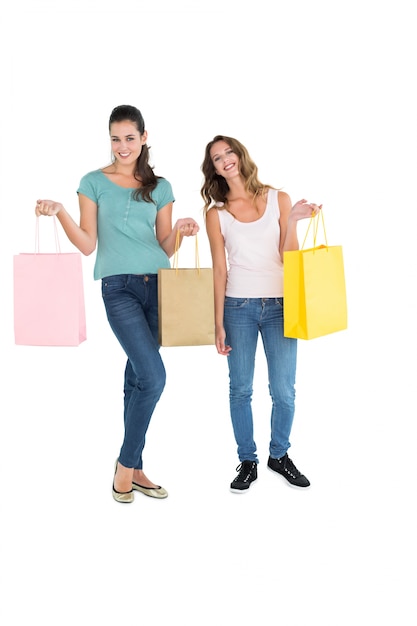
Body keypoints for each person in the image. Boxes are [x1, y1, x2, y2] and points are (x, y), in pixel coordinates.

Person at [35, 104, 199, 503]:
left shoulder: (161, 187)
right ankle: (126, 466)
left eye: (129, 138)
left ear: (144, 138)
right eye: (115, 138)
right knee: (154, 377)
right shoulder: (93, 182)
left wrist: (180, 231)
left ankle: (136, 467)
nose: (122, 146)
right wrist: (59, 213)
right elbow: (89, 245)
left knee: (139, 379)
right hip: (119, 288)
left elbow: (164, 247)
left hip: (160, 286)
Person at [201, 135, 321, 493]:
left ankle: (279, 455)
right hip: (237, 307)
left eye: (228, 153)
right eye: (217, 158)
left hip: (280, 305)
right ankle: (248, 460)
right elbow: (219, 270)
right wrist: (217, 321)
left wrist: (295, 220)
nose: (225, 160)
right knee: (240, 389)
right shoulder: (216, 213)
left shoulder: (277, 199)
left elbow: (289, 258)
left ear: (240, 155)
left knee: (284, 390)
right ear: (214, 168)